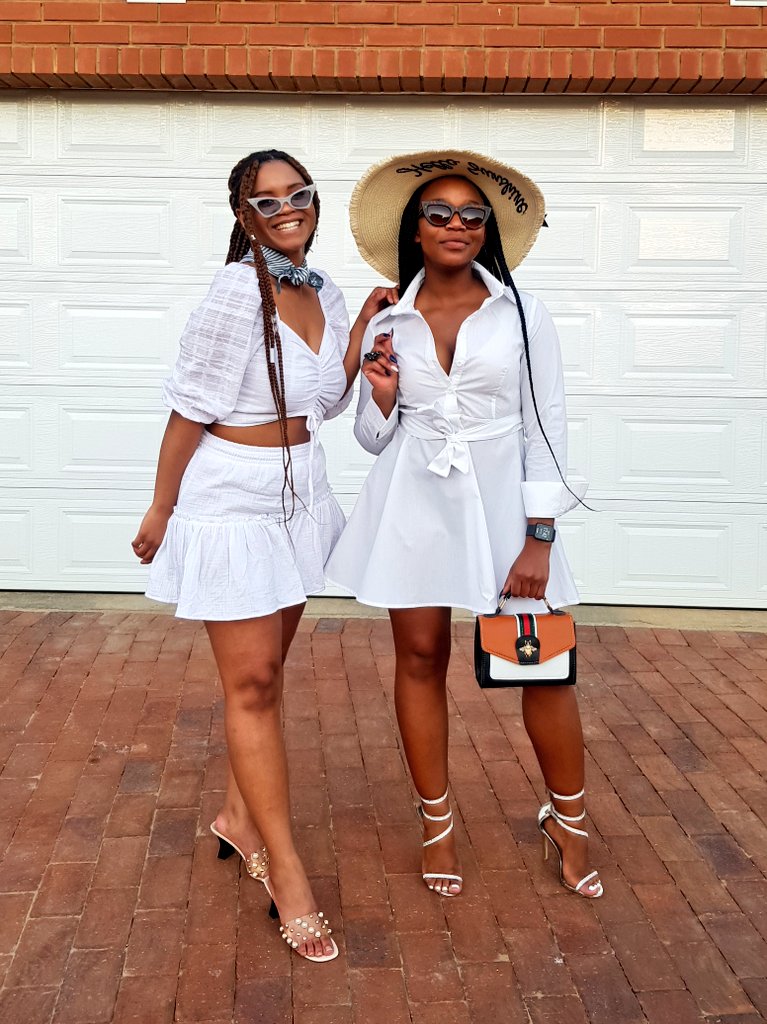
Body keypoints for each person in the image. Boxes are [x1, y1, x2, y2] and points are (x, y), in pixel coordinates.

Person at [132, 149, 395, 962]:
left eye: (297, 194)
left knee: (269, 676)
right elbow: (189, 409)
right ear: (243, 216)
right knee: (250, 686)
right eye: (266, 200)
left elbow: (324, 400)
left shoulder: (325, 289)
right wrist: (162, 507)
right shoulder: (231, 293)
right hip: (233, 500)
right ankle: (286, 873)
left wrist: (361, 329)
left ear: (314, 201)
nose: (286, 209)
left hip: (299, 491)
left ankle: (237, 817)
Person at [326, 150, 603, 901]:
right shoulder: (390, 316)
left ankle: (569, 822)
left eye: (472, 215)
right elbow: (372, 439)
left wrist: (539, 535)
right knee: (419, 658)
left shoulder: (522, 313)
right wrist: (383, 394)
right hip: (413, 501)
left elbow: (546, 427)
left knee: (540, 664)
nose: (457, 224)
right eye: (440, 213)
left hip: (506, 506)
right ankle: (437, 824)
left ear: (488, 230)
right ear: (414, 229)